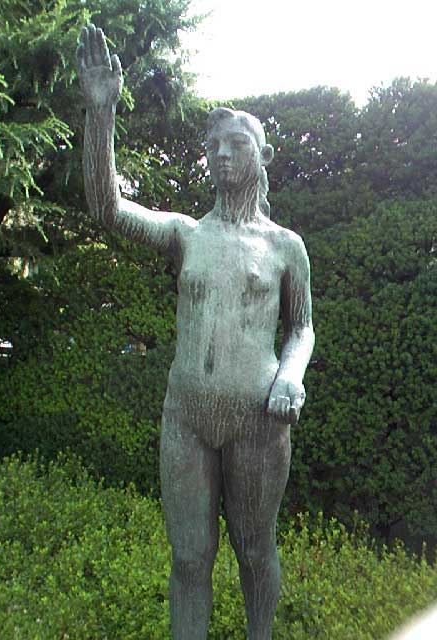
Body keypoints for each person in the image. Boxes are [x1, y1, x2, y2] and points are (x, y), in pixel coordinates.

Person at [77, 23, 315, 640]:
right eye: (214, 146)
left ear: (262, 156)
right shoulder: (187, 234)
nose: (222, 154)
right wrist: (101, 114)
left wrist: (290, 375)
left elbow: (302, 329)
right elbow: (107, 208)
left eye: (236, 144)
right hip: (185, 415)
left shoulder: (286, 247)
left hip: (258, 420)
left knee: (255, 551)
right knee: (188, 559)